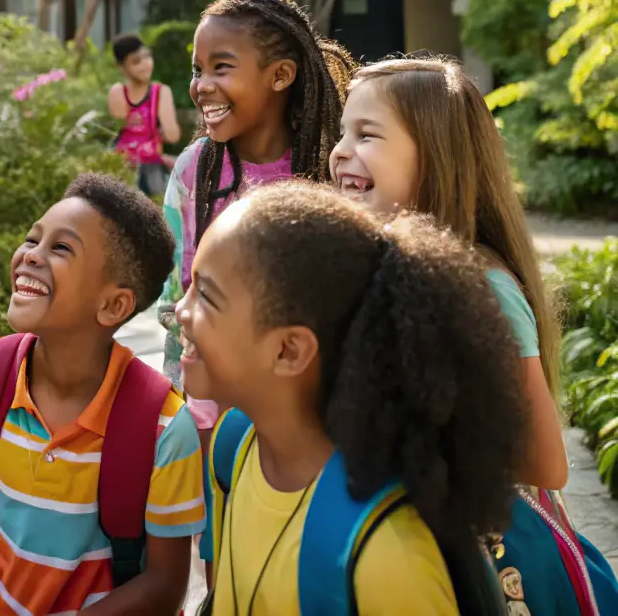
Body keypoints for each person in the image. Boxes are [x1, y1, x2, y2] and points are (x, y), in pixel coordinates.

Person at [178, 182, 526, 616]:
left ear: (289, 351)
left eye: (206, 295)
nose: (180, 310)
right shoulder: (233, 447)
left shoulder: (389, 556)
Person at [0, 172, 204, 616]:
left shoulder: (165, 427)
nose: (30, 255)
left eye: (61, 248)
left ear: (113, 305)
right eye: (33, 238)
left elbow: (165, 586)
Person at [329, 55, 568, 491]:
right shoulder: (368, 265)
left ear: (437, 157)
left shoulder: (486, 289)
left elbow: (545, 466)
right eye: (343, 132)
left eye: (366, 135)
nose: (341, 150)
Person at [158, 0, 354, 436]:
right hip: (206, 411)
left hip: (307, 412)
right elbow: (174, 301)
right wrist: (181, 403)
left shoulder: (328, 169)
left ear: (281, 75)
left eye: (221, 67)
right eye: (197, 69)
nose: (201, 86)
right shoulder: (194, 174)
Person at [108, 33, 181, 197]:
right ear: (122, 68)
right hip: (122, 163)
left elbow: (173, 135)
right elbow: (118, 126)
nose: (145, 64)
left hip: (151, 164)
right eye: (136, 61)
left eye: (147, 57)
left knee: (156, 189)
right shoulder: (118, 92)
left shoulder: (161, 92)